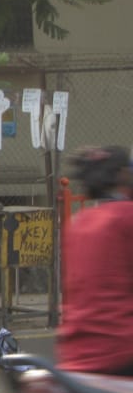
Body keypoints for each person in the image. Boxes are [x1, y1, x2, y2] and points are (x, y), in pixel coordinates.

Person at [56, 146, 133, 374]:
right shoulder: (126, 217)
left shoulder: (79, 222)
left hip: (74, 353)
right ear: (122, 175)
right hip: (119, 350)